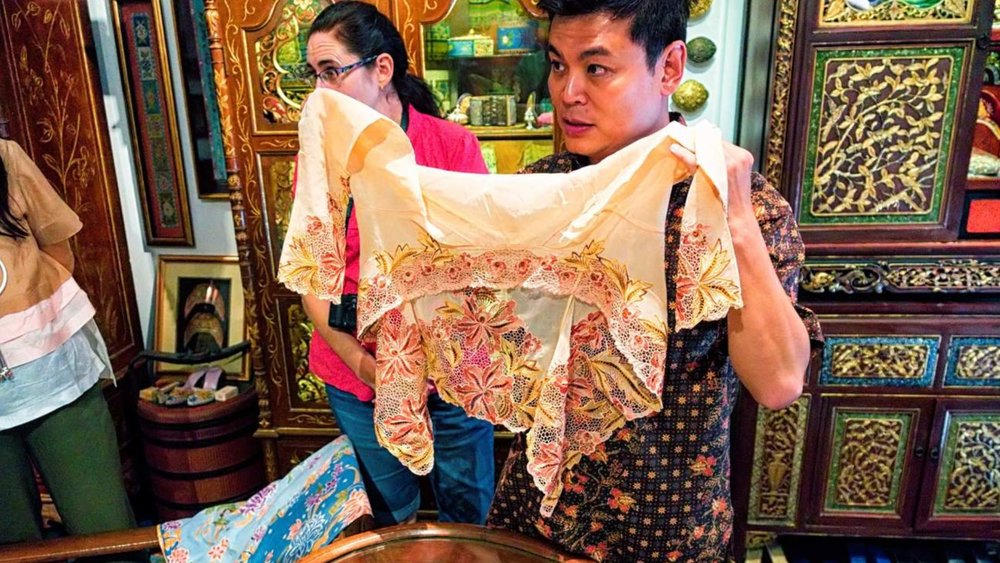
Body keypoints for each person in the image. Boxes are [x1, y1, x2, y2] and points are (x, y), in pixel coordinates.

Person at [485, 0, 823, 560]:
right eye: (557, 64)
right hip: (536, 511)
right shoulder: (541, 188)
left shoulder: (742, 207)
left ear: (668, 68)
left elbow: (780, 382)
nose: (568, 93)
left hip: (662, 527)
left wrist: (734, 218)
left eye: (596, 68)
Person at [299, 1, 495, 527]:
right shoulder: (318, 160)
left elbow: (480, 269)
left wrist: (425, 366)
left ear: (381, 69)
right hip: (357, 370)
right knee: (390, 512)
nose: (320, 92)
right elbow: (310, 279)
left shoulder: (451, 147)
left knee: (467, 507)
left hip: (452, 372)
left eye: (331, 73)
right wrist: (369, 368)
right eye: (313, 76)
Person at [0, 140, 138, 551]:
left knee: (103, 531)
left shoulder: (4, 156)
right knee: (12, 545)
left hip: (53, 377)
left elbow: (57, 249)